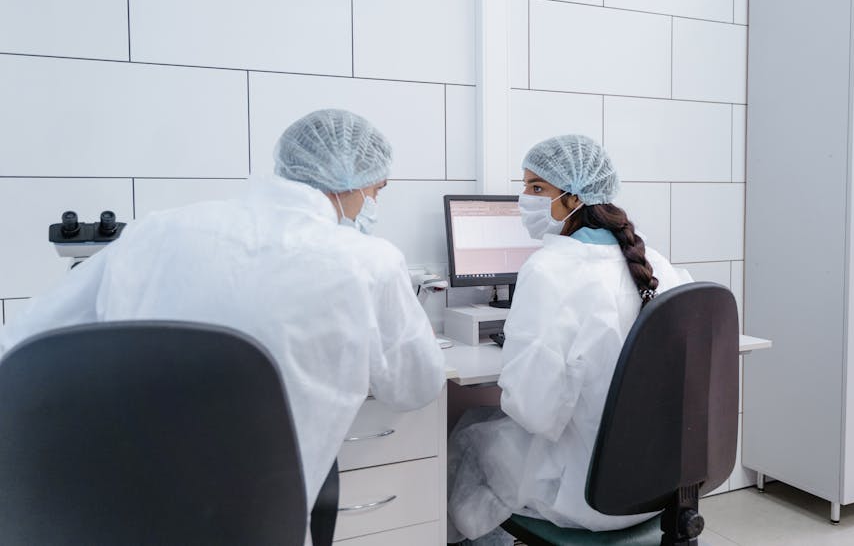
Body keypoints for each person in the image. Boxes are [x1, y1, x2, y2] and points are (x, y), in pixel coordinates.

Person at [0, 109, 446, 507]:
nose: (373, 205)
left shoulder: (155, 232)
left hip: (119, 510)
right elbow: (416, 386)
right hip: (261, 522)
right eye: (376, 190)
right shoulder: (369, 261)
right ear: (351, 183)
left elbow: (20, 345)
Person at [447, 135, 692, 545]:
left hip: (585, 499)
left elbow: (533, 412)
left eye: (537, 188)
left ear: (574, 197)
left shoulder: (549, 270)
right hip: (661, 487)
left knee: (469, 434)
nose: (523, 198)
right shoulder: (654, 263)